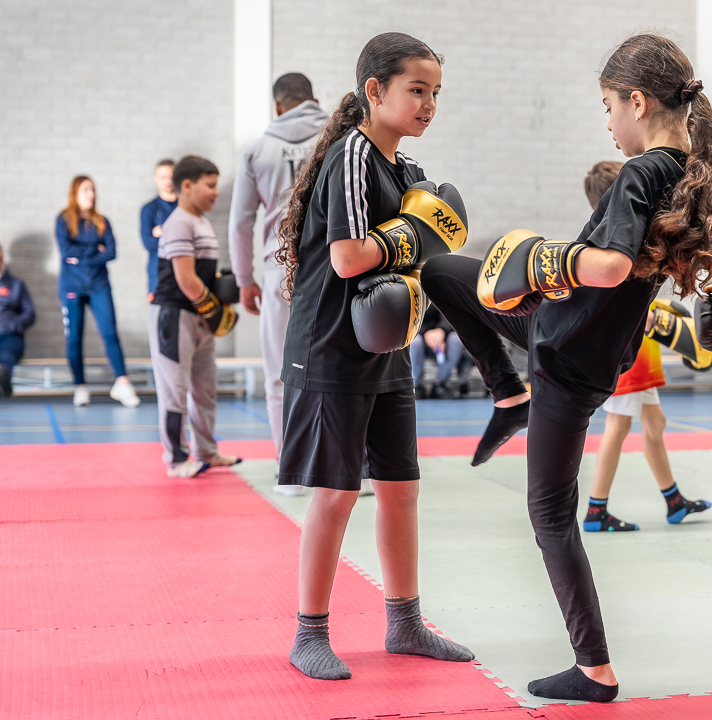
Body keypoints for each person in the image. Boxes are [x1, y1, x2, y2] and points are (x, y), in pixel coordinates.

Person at [422, 35, 712, 702]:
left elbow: (607, 267)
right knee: (441, 273)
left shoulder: (639, 174)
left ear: (637, 102)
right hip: (585, 350)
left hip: (562, 353)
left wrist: (542, 259)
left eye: (608, 107)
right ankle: (506, 396)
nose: (608, 123)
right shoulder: (700, 187)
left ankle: (594, 668)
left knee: (549, 512)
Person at [274, 32, 474, 682]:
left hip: (388, 348)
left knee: (400, 487)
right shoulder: (353, 155)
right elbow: (348, 257)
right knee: (336, 494)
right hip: (330, 350)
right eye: (417, 90)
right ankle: (309, 634)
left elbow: (422, 264)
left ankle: (405, 622)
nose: (429, 104)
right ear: (375, 91)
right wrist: (415, 231)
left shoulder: (407, 172)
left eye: (435, 92)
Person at [580, 161, 712, 533]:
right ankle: (596, 509)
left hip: (639, 344)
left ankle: (674, 500)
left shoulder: (622, 234)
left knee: (655, 422)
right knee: (618, 425)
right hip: (627, 347)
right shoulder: (615, 241)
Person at [228, 72, 328, 497]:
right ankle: (352, 469)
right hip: (336, 264)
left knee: (279, 374)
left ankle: (291, 472)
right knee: (341, 367)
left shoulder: (257, 148)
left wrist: (243, 279)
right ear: (313, 99)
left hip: (279, 268)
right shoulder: (340, 135)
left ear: (278, 106)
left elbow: (240, 221)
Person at [149, 155, 241, 478]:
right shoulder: (179, 222)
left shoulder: (202, 222)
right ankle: (176, 459)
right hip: (174, 316)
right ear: (187, 186)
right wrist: (214, 310)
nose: (216, 192)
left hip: (198, 314)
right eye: (210, 185)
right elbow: (186, 279)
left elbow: (202, 276)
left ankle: (206, 451)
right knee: (175, 390)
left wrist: (220, 295)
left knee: (204, 388)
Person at [55, 176, 140, 408]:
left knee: (110, 333)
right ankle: (80, 387)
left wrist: (82, 256)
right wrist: (96, 249)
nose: (91, 194)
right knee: (74, 338)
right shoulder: (63, 220)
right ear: (75, 193)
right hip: (72, 287)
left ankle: (122, 382)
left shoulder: (102, 222)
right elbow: (66, 251)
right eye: (86, 190)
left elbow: (111, 252)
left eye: (92, 189)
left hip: (99, 285)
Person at [0, 244, 35, 398]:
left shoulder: (16, 284)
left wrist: (15, 324)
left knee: (7, 356)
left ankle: (3, 382)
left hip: (9, 336)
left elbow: (30, 313)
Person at [409, 305, 466, 398]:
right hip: (419, 335)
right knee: (415, 341)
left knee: (456, 339)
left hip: (444, 339)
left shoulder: (447, 296)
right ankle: (417, 384)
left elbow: (452, 314)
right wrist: (427, 334)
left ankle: (439, 383)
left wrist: (441, 330)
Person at [140, 159, 177, 300]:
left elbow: (194, 239)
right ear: (156, 178)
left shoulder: (188, 206)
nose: (168, 181)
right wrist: (177, 234)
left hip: (184, 271)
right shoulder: (148, 209)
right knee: (158, 312)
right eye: (163, 177)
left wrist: (163, 232)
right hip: (158, 274)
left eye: (171, 176)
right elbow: (148, 243)